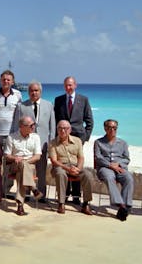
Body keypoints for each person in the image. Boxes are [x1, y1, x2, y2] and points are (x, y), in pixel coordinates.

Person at [11, 80, 56, 201]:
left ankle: (41, 195)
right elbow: (16, 125)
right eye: (31, 90)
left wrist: (51, 144)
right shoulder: (21, 106)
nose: (33, 93)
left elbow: (52, 126)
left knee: (41, 171)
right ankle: (25, 194)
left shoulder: (49, 105)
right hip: (25, 143)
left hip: (43, 144)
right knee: (25, 168)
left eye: (36, 90)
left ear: (40, 92)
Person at [54, 76, 94, 204]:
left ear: (75, 85)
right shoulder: (59, 100)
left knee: (76, 164)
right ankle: (64, 195)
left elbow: (89, 121)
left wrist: (85, 137)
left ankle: (76, 196)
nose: (68, 88)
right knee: (65, 163)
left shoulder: (83, 100)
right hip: (62, 137)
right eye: (66, 85)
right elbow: (55, 119)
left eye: (70, 85)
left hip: (78, 138)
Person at [49, 120, 94, 215]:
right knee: (60, 173)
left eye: (65, 128)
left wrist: (78, 168)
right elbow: (54, 161)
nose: (62, 131)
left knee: (88, 175)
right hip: (60, 167)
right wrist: (67, 169)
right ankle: (61, 203)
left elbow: (81, 157)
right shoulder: (52, 143)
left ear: (70, 130)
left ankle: (86, 204)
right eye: (60, 128)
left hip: (75, 166)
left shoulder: (77, 141)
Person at [0, 69, 23, 195]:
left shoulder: (18, 95)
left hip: (11, 135)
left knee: (8, 163)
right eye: (3, 79)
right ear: (0, 81)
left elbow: (19, 114)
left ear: (12, 82)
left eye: (8, 79)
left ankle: (5, 190)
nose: (6, 81)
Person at [94, 119, 134, 221]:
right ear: (105, 128)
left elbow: (127, 158)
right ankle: (121, 204)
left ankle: (125, 206)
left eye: (114, 128)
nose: (112, 130)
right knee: (109, 177)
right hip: (105, 168)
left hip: (120, 168)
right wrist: (110, 165)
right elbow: (98, 157)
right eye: (110, 127)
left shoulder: (123, 143)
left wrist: (119, 164)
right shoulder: (98, 142)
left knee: (129, 178)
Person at [4, 116, 42, 216]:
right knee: (21, 165)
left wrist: (25, 162)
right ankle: (33, 188)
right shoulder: (11, 137)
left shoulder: (36, 137)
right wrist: (14, 158)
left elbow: (37, 156)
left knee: (22, 171)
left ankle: (20, 205)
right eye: (31, 125)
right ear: (21, 126)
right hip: (15, 165)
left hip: (30, 166)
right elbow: (7, 155)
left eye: (34, 125)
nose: (33, 127)